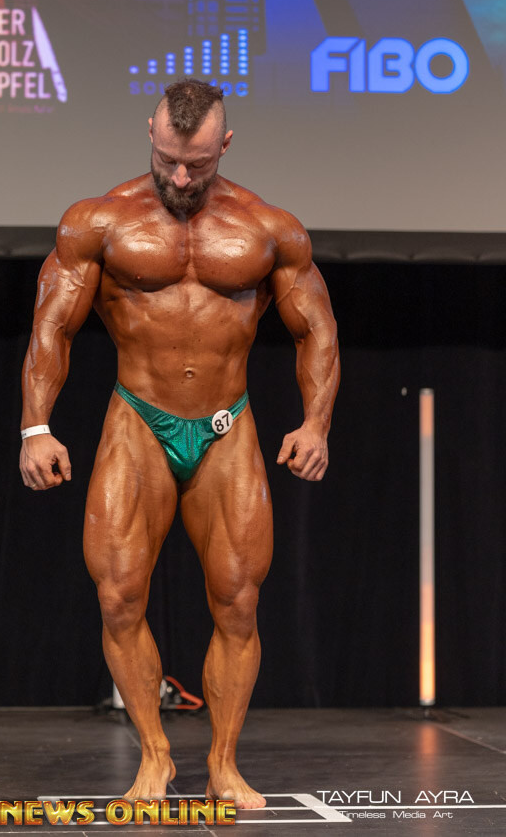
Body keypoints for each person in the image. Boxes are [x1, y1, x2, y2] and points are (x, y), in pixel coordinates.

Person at [19, 78, 339, 809]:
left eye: (196, 163)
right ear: (150, 135)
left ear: (224, 145)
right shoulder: (98, 221)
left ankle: (224, 763)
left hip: (227, 427)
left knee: (238, 603)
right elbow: (52, 326)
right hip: (138, 420)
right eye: (168, 160)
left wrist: (315, 423)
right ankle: (155, 755)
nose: (182, 178)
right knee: (118, 596)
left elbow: (316, 327)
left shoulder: (269, 229)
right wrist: (36, 427)